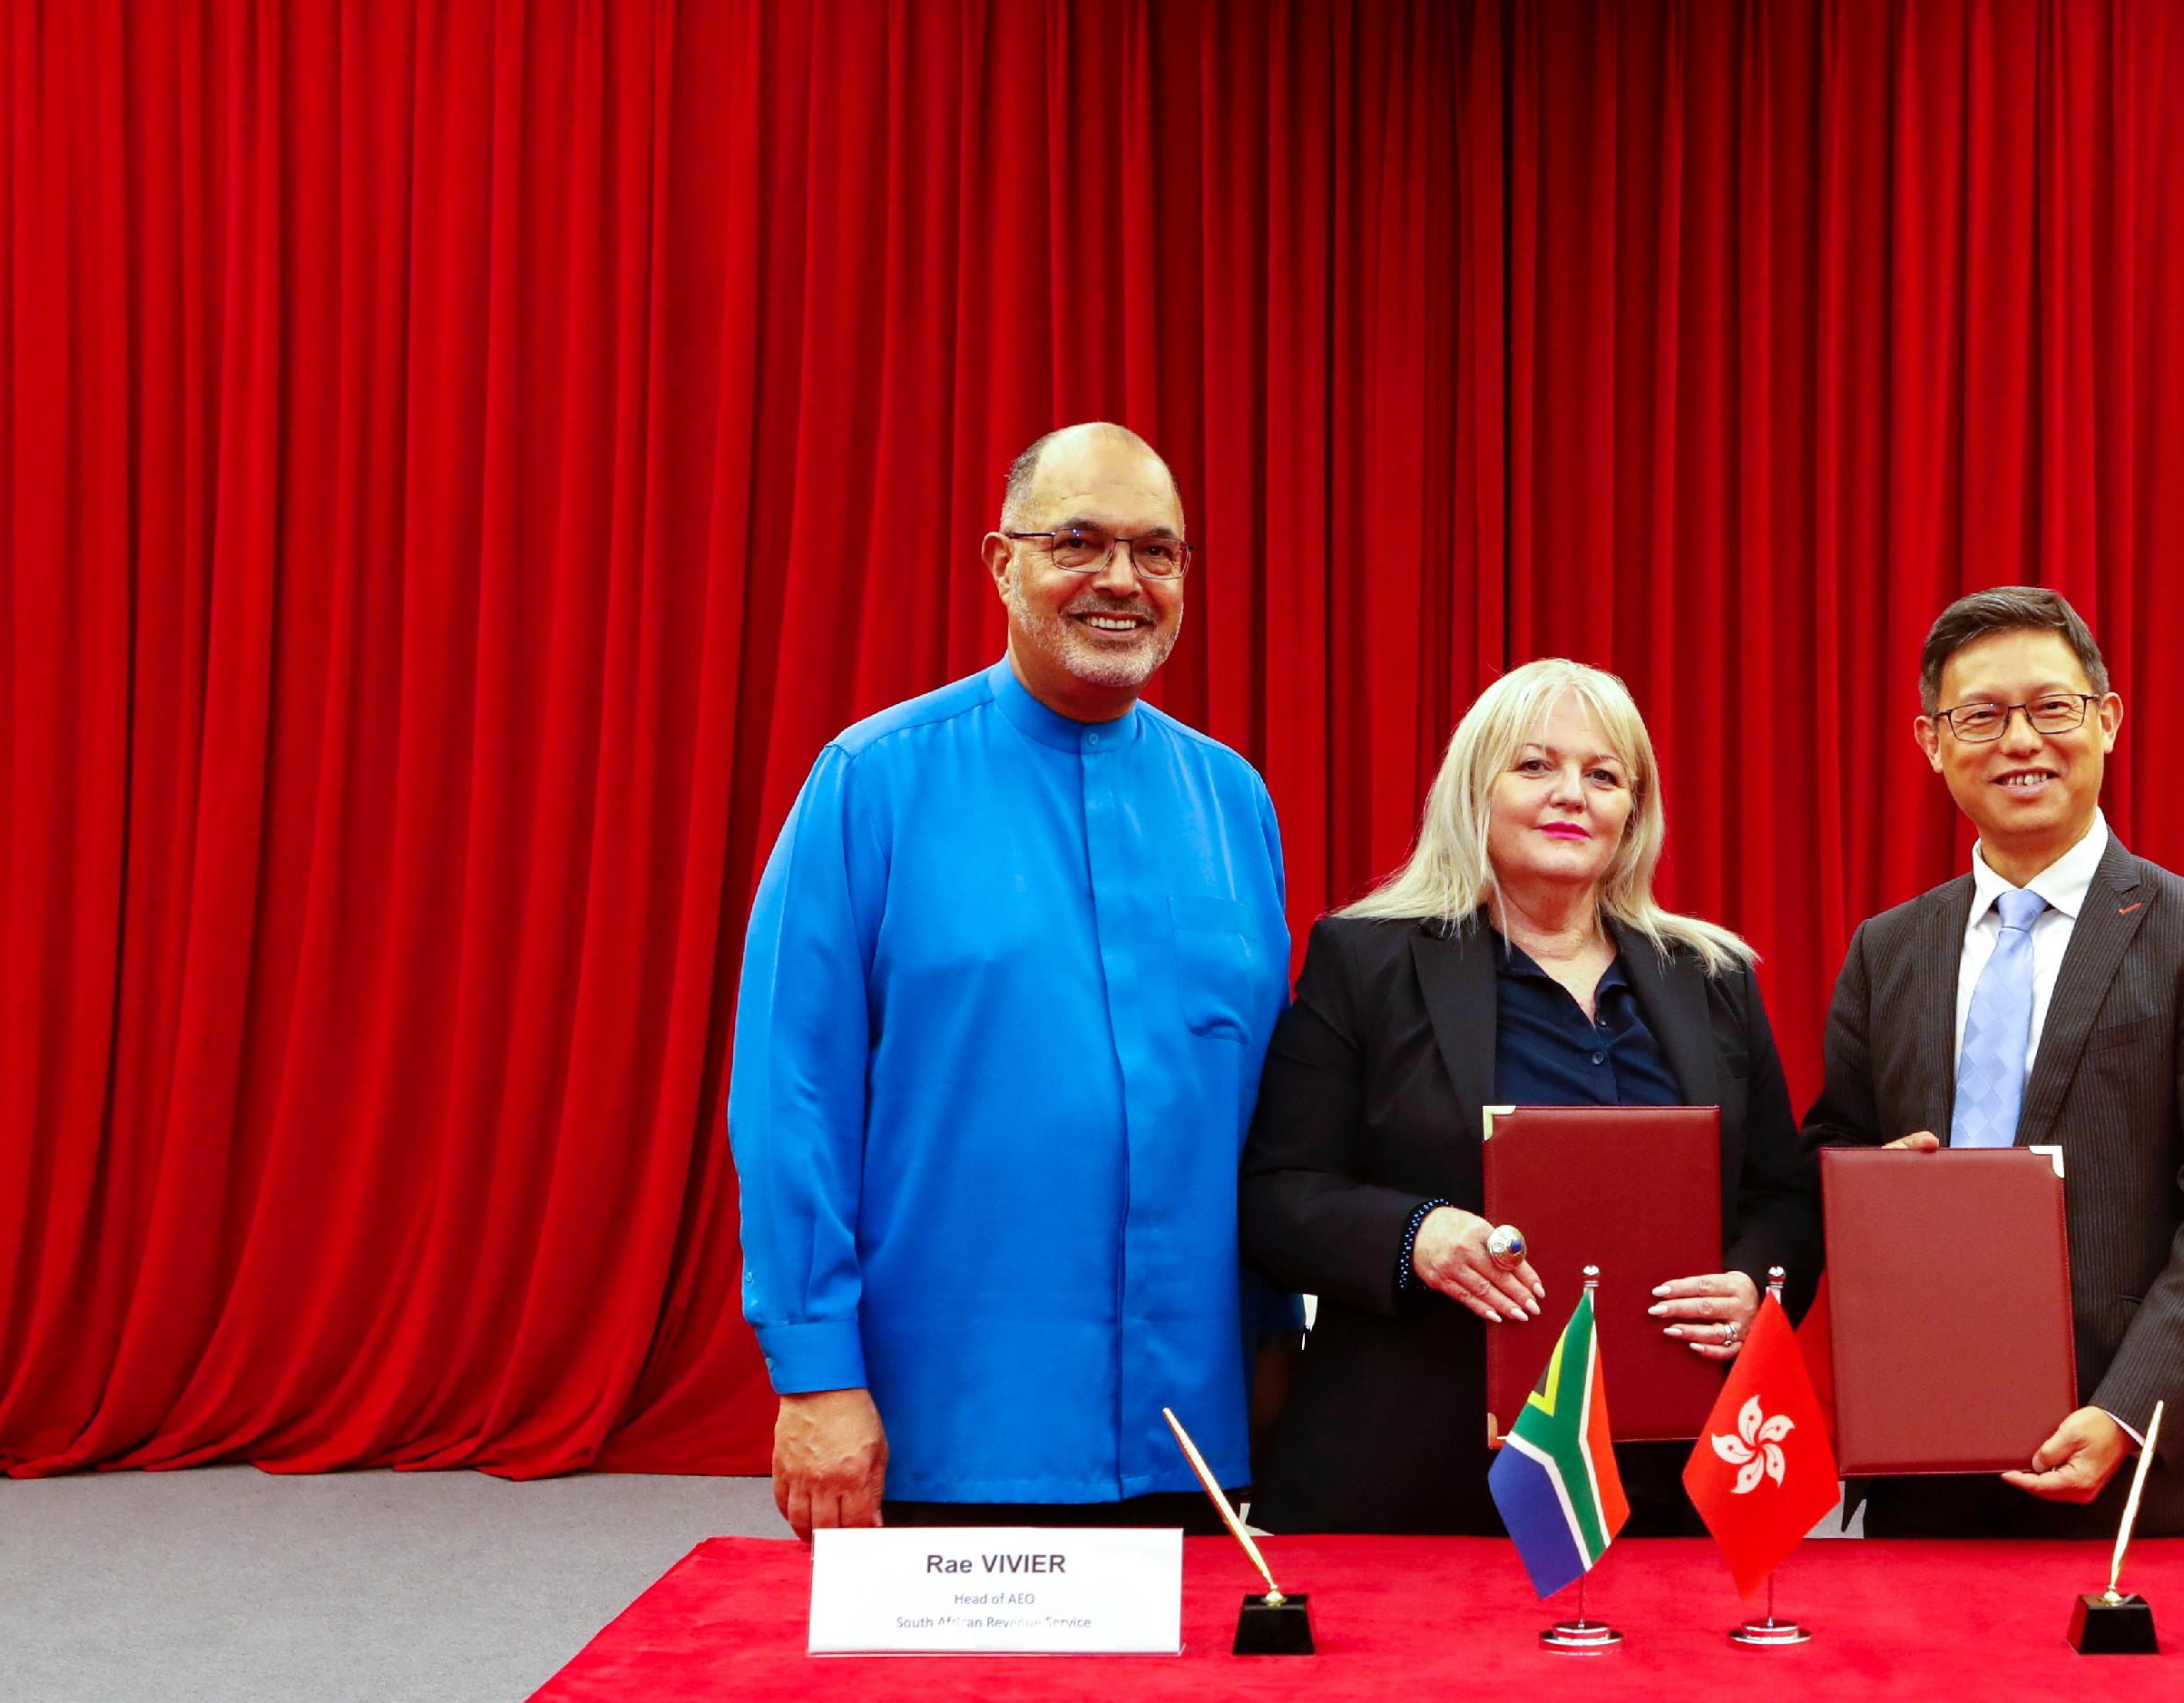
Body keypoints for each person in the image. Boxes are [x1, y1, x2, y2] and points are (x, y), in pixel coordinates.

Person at [730, 422, 1289, 1538]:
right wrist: (813, 1372)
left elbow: (1271, 1114)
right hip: (955, 1426)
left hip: (1205, 1426)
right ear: (1002, 561)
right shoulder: (869, 784)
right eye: (1077, 542)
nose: (1121, 581)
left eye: (1157, 552)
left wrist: (1284, 1361)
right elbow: (791, 1099)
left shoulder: (1232, 802)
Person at [1241, 659, 1819, 1533]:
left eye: (1603, 775)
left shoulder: (1713, 978)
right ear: (1476, 789)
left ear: (1634, 813)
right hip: (1420, 1480)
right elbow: (1277, 1194)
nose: (1571, 795)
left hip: (1664, 1486)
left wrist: (1753, 1285)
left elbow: (1780, 1196)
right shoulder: (1364, 962)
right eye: (1535, 765)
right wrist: (1416, 1234)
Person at [1803, 585, 2184, 1537]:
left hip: (2137, 1481)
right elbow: (1831, 1151)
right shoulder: (1886, 949)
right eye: (1981, 715)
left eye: (2052, 709)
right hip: (1924, 1458)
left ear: (2105, 722)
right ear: (1931, 742)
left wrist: (2125, 1412)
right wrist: (1868, 1188)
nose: (2019, 740)